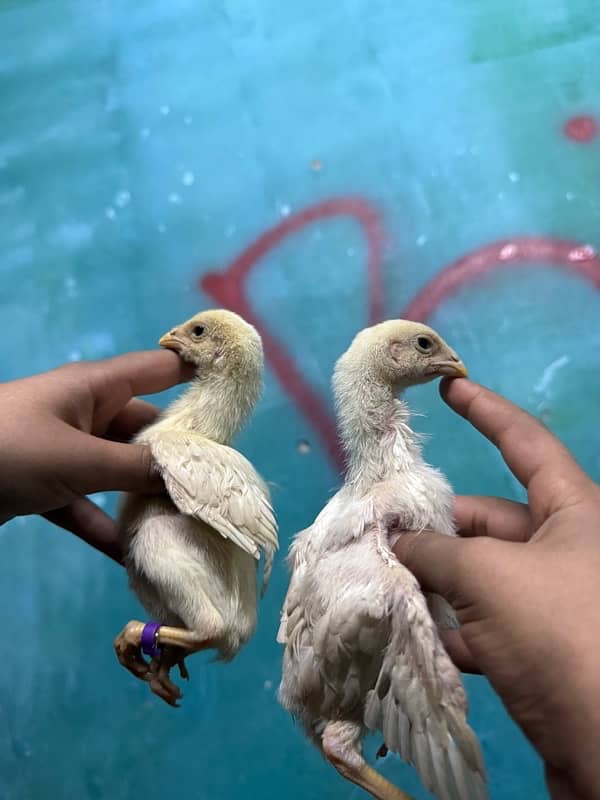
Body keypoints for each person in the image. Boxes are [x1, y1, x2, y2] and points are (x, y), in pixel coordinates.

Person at [1, 355, 598, 798]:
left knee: (376, 661)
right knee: (385, 646)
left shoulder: (359, 511)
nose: (447, 361)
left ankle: (167, 641)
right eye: (424, 347)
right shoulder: (355, 521)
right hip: (318, 639)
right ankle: (166, 641)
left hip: (316, 641)